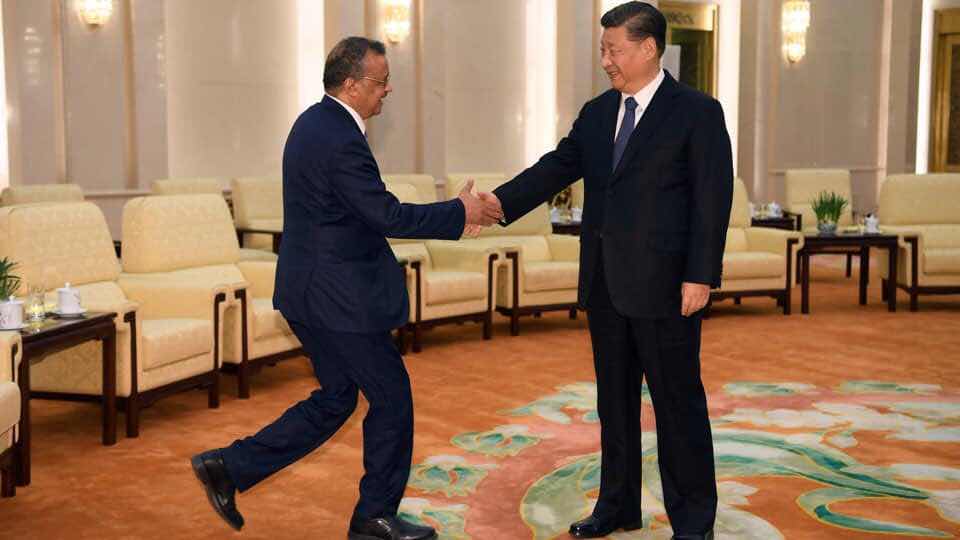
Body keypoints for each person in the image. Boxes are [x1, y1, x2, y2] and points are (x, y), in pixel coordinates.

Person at [189, 36, 502, 540]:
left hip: (313, 292)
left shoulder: (315, 123)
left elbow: (354, 214)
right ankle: (374, 517)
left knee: (337, 398)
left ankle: (229, 467)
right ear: (353, 85)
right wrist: (457, 211)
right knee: (392, 398)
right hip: (337, 298)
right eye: (381, 81)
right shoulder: (339, 137)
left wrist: (453, 214)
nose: (388, 90)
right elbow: (385, 214)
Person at [484, 3, 733, 539]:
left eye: (613, 50)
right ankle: (617, 506)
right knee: (613, 406)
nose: (605, 61)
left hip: (667, 289)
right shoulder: (597, 113)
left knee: (678, 409)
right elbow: (555, 167)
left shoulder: (697, 112)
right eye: (603, 50)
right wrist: (497, 203)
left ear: (648, 48)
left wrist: (700, 275)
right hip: (606, 285)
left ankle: (693, 523)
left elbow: (712, 200)